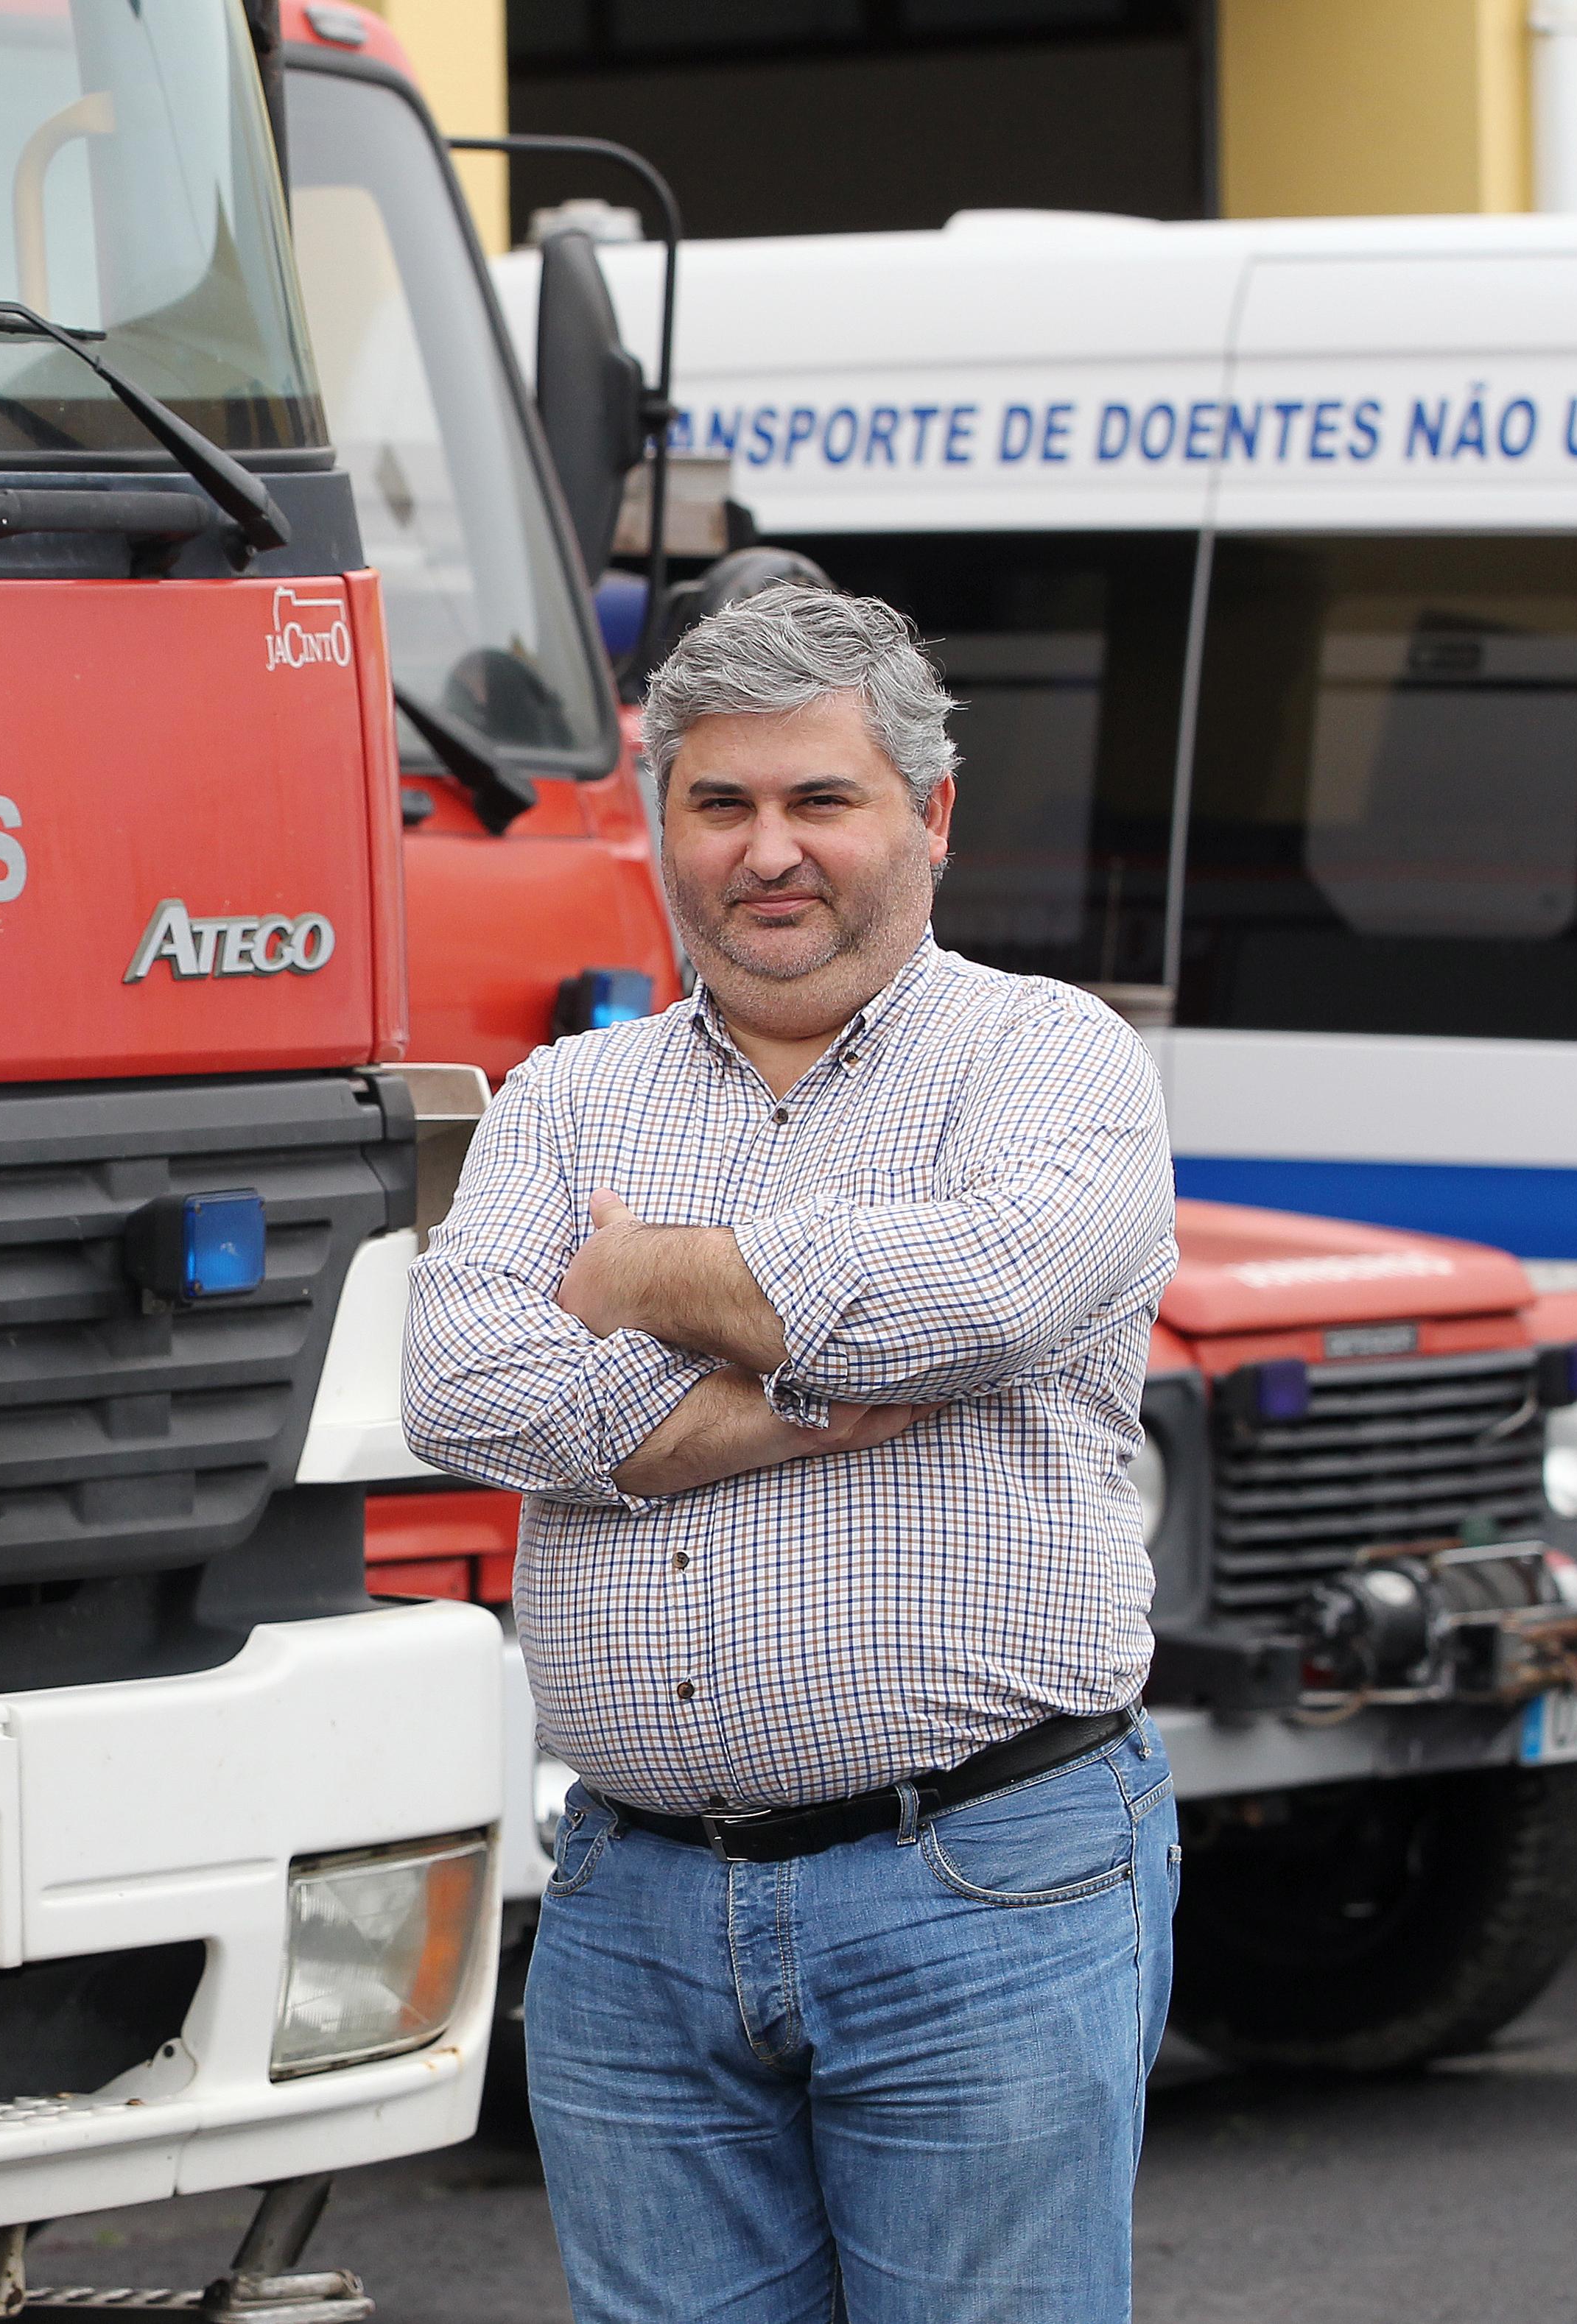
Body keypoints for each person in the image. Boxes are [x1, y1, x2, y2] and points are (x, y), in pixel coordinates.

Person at [403, 584, 1180, 2324]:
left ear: (929, 816)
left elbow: (976, 1299)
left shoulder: (1048, 1063)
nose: (768, 854)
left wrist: (636, 1278)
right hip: (632, 1907)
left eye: (818, 801)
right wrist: (794, 1399)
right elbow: (455, 1381)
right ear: (659, 822)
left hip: (979, 1883)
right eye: (719, 804)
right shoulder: (563, 1096)